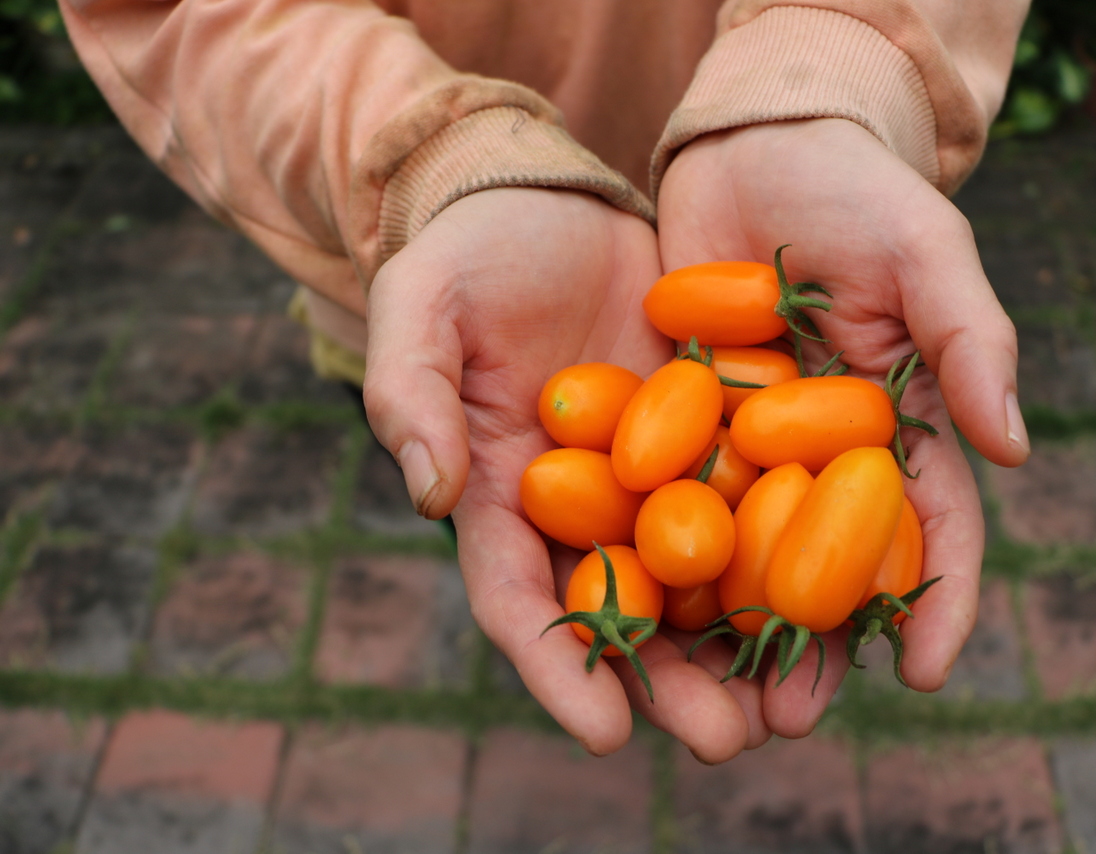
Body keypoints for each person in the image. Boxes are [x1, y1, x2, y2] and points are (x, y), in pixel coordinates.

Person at [60, 0, 1032, 763]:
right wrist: (436, 161)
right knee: (459, 464)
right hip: (462, 315)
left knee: (502, 512)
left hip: (667, 272)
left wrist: (827, 68)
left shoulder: (760, 442)